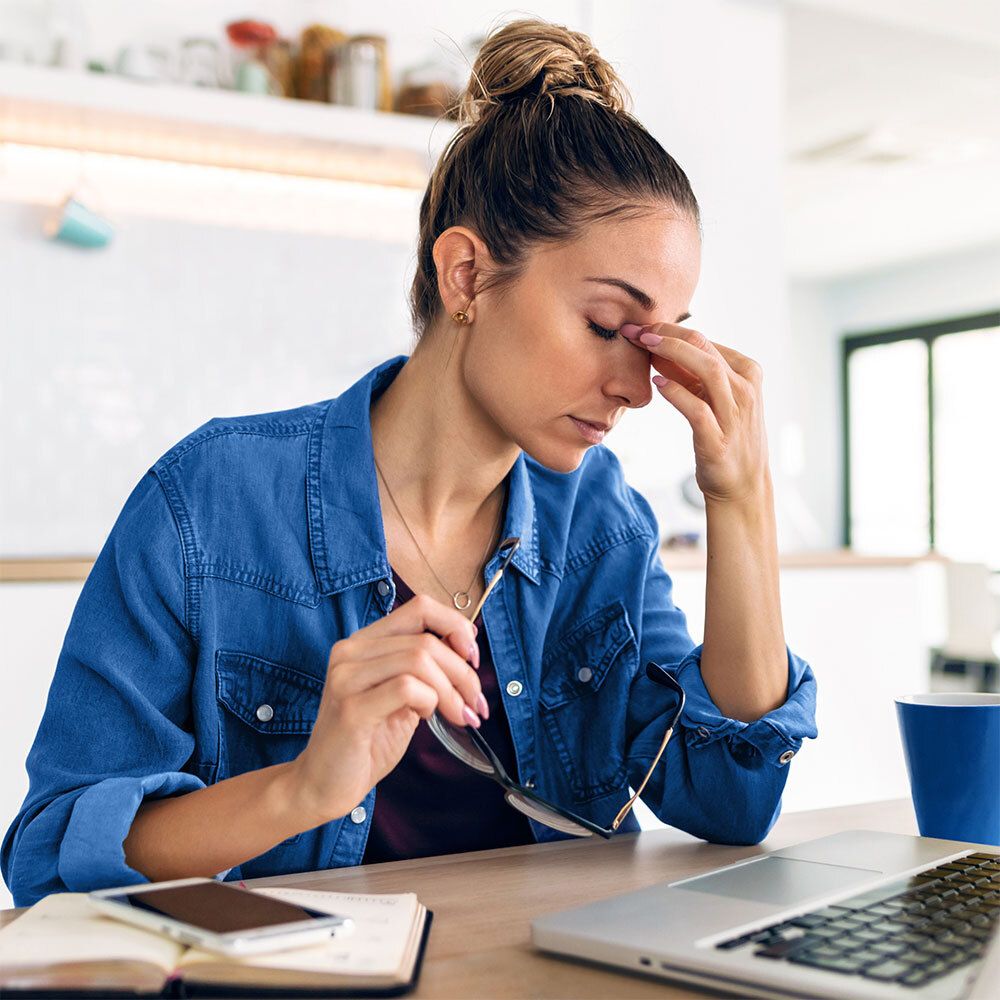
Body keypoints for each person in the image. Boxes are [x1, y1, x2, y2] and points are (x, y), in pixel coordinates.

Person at [1, 18, 817, 908]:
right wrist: (304, 787)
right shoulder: (208, 507)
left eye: (661, 337)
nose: (637, 385)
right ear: (466, 276)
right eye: (604, 326)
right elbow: (49, 856)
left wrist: (743, 495)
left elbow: (734, 799)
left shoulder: (600, 521)